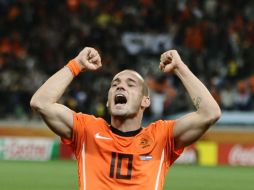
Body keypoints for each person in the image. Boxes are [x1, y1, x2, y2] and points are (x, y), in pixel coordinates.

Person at [30, 47, 221, 190]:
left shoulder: (162, 137)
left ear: (145, 101)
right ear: (107, 101)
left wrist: (180, 68)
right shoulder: (87, 130)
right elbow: (41, 102)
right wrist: (76, 64)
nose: (120, 87)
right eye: (115, 84)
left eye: (131, 84)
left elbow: (210, 113)